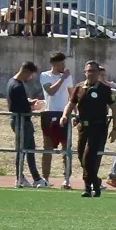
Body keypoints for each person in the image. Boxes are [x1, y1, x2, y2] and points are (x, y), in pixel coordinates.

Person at [60, 61, 116, 198]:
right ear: (85, 72)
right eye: (88, 71)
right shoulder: (80, 87)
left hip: (98, 127)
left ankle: (87, 187)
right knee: (81, 156)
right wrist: (65, 115)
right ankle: (95, 182)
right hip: (83, 127)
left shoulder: (105, 89)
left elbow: (114, 108)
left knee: (88, 157)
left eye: (93, 71)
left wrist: (115, 128)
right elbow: (71, 103)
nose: (90, 73)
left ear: (98, 73)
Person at [8, 61, 49, 188]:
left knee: (30, 149)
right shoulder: (17, 86)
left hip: (24, 121)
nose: (30, 78)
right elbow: (18, 106)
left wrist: (30, 102)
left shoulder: (13, 83)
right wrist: (33, 107)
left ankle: (36, 177)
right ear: (25, 71)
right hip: (21, 121)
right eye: (30, 75)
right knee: (23, 150)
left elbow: (19, 101)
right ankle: (19, 177)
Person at [39, 52, 73, 188]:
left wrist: (76, 113)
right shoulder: (44, 75)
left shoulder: (67, 76)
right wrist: (62, 78)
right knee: (47, 148)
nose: (63, 66)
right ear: (54, 64)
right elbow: (51, 91)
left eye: (64, 63)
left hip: (64, 114)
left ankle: (67, 179)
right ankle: (45, 178)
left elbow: (72, 95)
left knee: (67, 148)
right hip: (49, 113)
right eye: (61, 63)